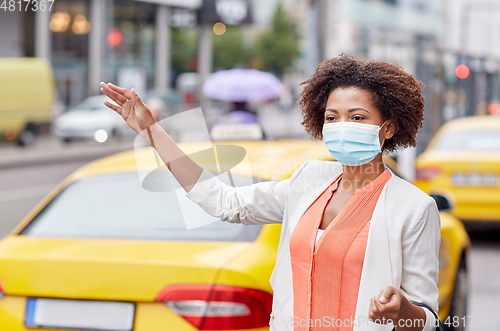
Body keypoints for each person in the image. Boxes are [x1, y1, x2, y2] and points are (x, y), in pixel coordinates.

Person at [100, 54, 440, 331]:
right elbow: (225, 202)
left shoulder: (413, 207)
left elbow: (426, 319)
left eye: (357, 117)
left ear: (388, 127)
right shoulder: (310, 178)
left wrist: (400, 312)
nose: (341, 127)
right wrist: (153, 131)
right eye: (332, 118)